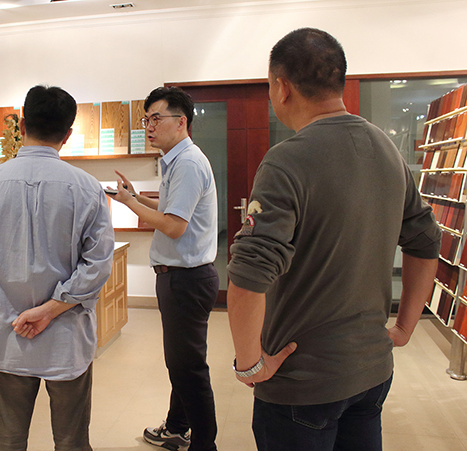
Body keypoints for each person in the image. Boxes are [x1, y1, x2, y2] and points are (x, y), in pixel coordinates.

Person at [226, 28, 441, 451]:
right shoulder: (387, 150)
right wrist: (403, 327)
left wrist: (250, 365)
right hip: (372, 371)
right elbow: (426, 241)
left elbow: (249, 277)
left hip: (304, 382)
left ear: (282, 87)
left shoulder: (286, 160)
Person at [0, 85, 114, 451]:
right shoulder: (87, 188)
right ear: (68, 133)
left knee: (9, 439)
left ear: (23, 124)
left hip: (9, 333)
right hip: (67, 339)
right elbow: (98, 264)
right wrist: (51, 309)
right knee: (72, 441)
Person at [108, 86, 219, 451]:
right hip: (182, 278)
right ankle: (176, 426)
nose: (149, 127)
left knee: (188, 368)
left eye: (156, 118)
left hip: (186, 280)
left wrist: (129, 203)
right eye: (147, 119)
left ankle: (204, 443)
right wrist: (136, 196)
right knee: (182, 363)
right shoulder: (179, 160)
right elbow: (172, 209)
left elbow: (173, 226)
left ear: (181, 122)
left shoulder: (187, 163)